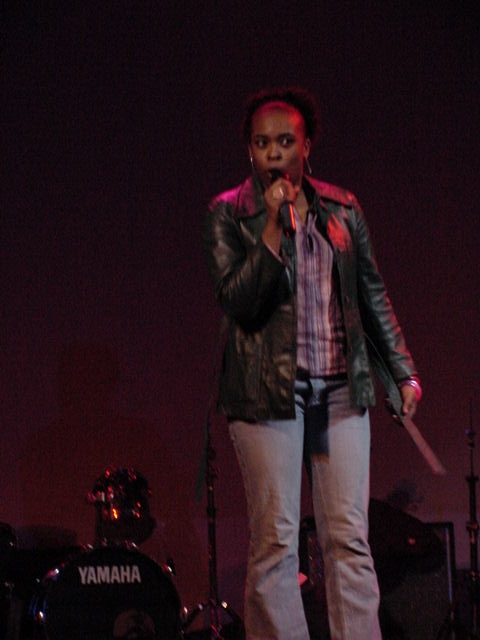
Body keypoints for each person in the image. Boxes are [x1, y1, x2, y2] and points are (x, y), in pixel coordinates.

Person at [202, 87, 422, 640]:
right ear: (249, 151)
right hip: (264, 394)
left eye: (285, 141)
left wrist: (403, 372)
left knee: (348, 538)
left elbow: (370, 293)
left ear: (306, 146)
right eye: (261, 143)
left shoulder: (342, 207)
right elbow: (238, 301)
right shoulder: (228, 212)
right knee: (276, 542)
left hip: (341, 389)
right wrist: (272, 231)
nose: (273, 153)